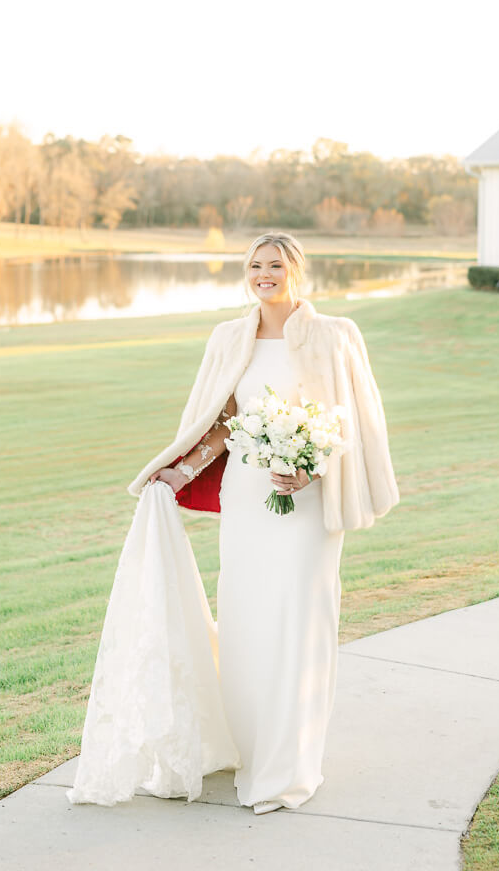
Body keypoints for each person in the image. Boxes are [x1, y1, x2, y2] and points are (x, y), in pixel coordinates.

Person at [133, 231, 400, 815]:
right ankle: (249, 745)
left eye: (275, 264)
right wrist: (181, 473)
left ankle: (288, 764)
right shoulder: (230, 337)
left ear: (296, 271)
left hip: (306, 504)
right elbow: (220, 422)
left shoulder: (336, 336)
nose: (263, 273)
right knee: (248, 619)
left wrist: (313, 466)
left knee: (299, 619)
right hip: (247, 497)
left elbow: (351, 421)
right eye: (254, 265)